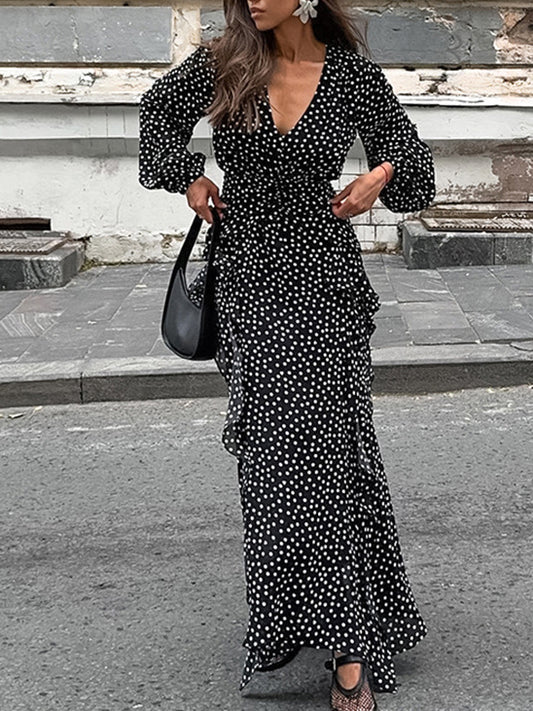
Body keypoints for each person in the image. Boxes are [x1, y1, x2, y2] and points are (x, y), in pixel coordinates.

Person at [138, 0, 436, 708]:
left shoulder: (351, 76)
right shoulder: (224, 62)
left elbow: (415, 167)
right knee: (275, 461)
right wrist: (189, 176)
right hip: (249, 283)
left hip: (325, 283)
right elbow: (155, 118)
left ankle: (351, 647)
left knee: (332, 456)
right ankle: (304, 623)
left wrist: (379, 177)